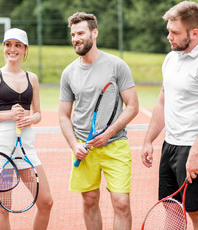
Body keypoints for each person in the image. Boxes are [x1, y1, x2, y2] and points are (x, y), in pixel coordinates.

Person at [141, 1, 198, 230]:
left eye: (175, 32)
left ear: (195, 33)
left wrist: (195, 153)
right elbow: (162, 101)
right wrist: (149, 140)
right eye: (168, 30)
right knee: (171, 208)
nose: (169, 36)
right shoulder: (171, 58)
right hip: (171, 146)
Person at [59, 12, 139, 230]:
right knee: (89, 201)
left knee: (121, 204)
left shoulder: (117, 65)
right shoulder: (68, 73)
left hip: (116, 146)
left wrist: (108, 133)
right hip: (84, 148)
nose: (76, 38)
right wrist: (74, 145)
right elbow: (63, 115)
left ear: (94, 33)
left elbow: (132, 106)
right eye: (73, 34)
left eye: (81, 33)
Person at [0, 28, 53, 230]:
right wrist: (7, 115)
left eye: (18, 45)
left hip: (26, 149)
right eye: (8, 45)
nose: (12, 49)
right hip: (1, 151)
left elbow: (38, 113)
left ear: (25, 49)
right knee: (4, 207)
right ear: (3, 47)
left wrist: (31, 119)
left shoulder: (32, 78)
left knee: (46, 202)